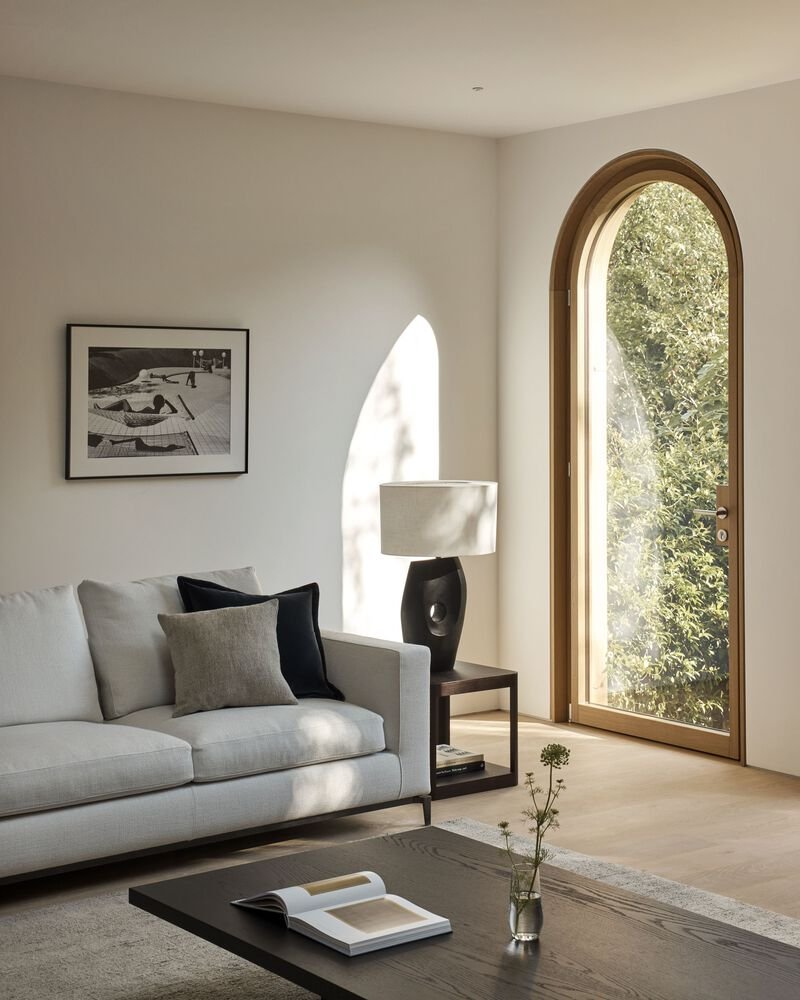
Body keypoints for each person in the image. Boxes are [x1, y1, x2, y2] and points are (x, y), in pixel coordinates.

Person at [95, 394, 178, 415]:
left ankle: (102, 411)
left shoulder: (149, 409)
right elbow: (175, 411)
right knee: (122, 404)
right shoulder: (159, 415)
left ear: (153, 403)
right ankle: (103, 411)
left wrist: (165, 401)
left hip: (131, 416)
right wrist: (166, 402)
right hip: (134, 418)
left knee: (123, 401)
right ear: (162, 405)